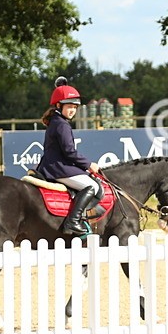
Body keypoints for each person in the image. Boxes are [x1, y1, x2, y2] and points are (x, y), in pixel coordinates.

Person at [36, 78, 103, 236]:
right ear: (59, 106)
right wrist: (88, 164)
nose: (73, 110)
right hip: (58, 168)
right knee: (93, 186)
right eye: (69, 106)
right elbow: (69, 152)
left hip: (55, 165)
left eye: (75, 107)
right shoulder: (62, 124)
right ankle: (72, 222)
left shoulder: (56, 121)